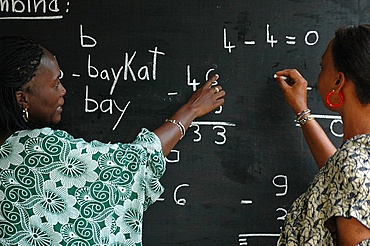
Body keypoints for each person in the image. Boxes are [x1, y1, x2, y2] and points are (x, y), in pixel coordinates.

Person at [0, 36, 225, 245]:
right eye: (55, 84)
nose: (63, 90)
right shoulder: (35, 149)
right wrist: (191, 110)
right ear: (22, 98)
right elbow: (133, 163)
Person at [275, 24, 370, 245]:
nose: (318, 74)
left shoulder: (353, 163)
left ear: (338, 81)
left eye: (322, 66)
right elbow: (340, 177)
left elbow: (347, 175)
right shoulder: (354, 161)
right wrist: (301, 110)